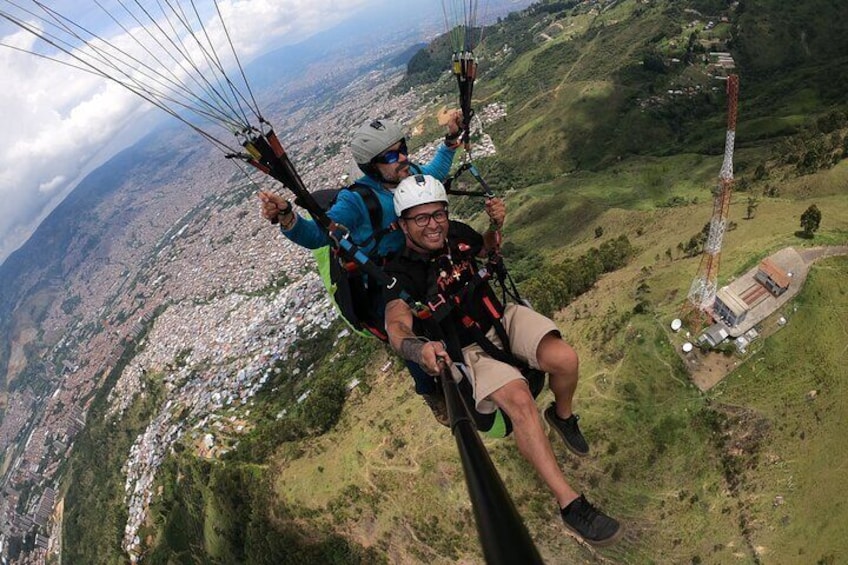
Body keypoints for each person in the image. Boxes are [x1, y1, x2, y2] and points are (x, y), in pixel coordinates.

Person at [381, 174, 622, 547]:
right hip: (468, 350)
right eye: (421, 218)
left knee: (565, 358)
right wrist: (418, 349)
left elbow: (487, 249)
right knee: (520, 400)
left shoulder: (456, 233)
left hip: (499, 319)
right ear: (403, 225)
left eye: (438, 214)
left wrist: (496, 225)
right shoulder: (400, 273)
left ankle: (561, 416)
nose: (434, 224)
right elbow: (397, 325)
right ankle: (570, 504)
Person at [258, 114, 466, 426]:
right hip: (384, 280)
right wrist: (287, 217)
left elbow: (434, 173)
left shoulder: (408, 177)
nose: (403, 158)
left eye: (403, 149)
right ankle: (429, 392)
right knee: (407, 332)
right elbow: (318, 234)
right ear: (372, 166)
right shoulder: (358, 201)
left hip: (417, 262)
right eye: (391, 156)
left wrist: (450, 142)